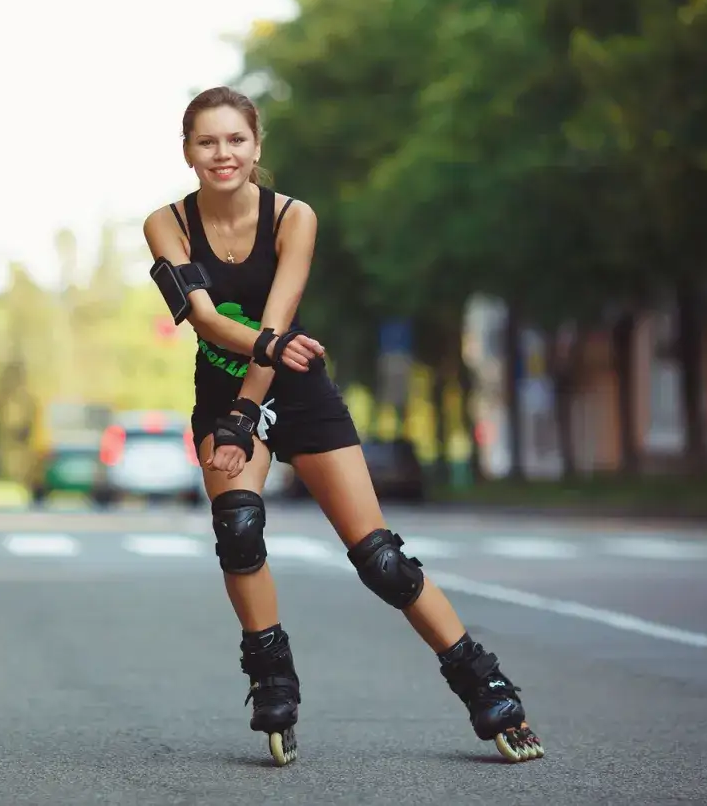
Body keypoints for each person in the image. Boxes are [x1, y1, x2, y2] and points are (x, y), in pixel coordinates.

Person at [142, 85, 545, 768]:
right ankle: (272, 677)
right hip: (222, 389)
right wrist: (246, 388)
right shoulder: (166, 223)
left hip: (297, 394)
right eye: (207, 141)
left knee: (380, 559)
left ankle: (486, 684)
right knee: (237, 530)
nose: (223, 153)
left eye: (236, 139)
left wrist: (251, 405)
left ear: (256, 146)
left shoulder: (294, 217)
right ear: (187, 151)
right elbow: (207, 321)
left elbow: (276, 317)